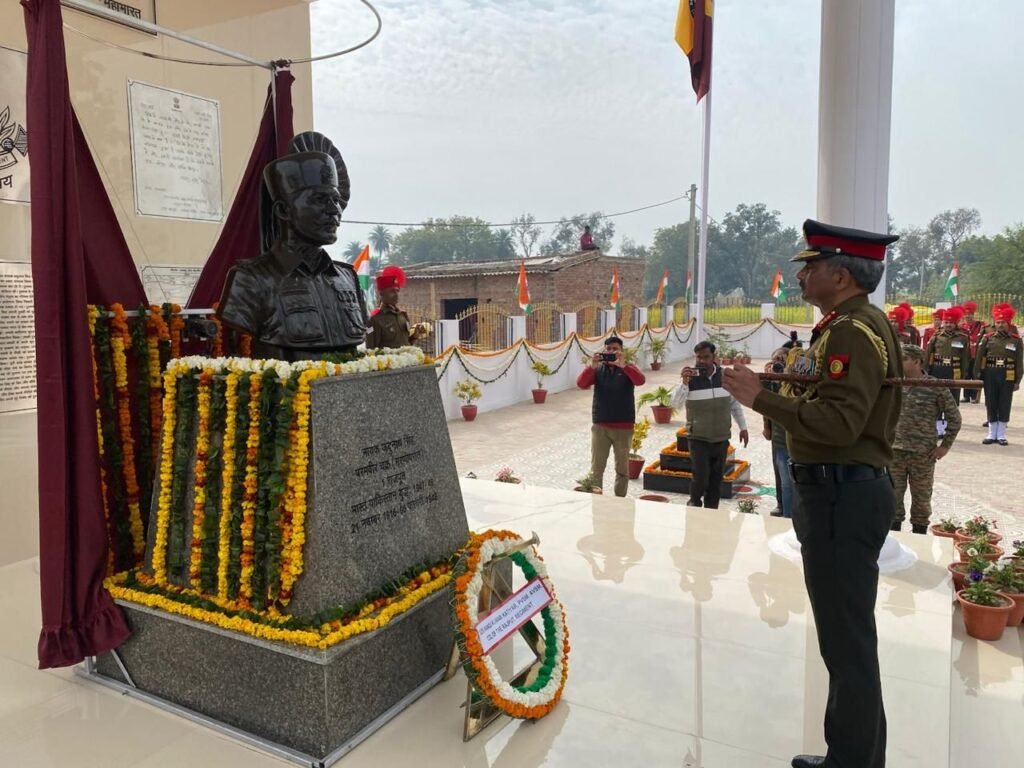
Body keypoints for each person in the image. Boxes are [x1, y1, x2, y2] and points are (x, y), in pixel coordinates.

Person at [722, 219, 901, 768]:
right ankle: (851, 756)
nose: (802, 275)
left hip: (842, 497)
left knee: (847, 645)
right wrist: (768, 388)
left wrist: (760, 400)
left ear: (841, 274)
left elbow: (842, 422)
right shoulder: (848, 324)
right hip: (839, 493)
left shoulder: (851, 331)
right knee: (846, 642)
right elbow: (831, 398)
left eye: (812, 266)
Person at [218, 132, 369, 360]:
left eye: (336, 200)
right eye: (319, 199)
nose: (334, 210)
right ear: (284, 210)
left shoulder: (347, 278)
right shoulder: (251, 279)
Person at [890, 345, 961, 534]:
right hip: (895, 452)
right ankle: (894, 539)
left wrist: (944, 447)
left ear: (916, 361)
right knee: (892, 500)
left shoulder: (935, 386)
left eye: (904, 359)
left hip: (923, 454)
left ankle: (919, 537)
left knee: (921, 501)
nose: (900, 362)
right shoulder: (895, 383)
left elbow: (955, 417)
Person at [675, 341, 749, 509]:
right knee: (700, 478)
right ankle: (694, 504)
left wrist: (743, 427)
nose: (702, 361)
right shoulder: (690, 378)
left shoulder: (724, 377)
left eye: (706, 357)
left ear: (714, 357)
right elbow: (675, 404)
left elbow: (734, 404)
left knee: (716, 481)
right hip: (698, 438)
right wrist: (684, 383)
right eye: (699, 357)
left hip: (721, 438)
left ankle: (711, 513)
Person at [577, 336, 646, 496]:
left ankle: (619, 501)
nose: (611, 352)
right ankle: (597, 499)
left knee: (622, 469)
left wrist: (624, 366)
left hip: (623, 426)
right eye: (608, 349)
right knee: (597, 468)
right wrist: (591, 366)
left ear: (621, 351)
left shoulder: (628, 367)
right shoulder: (598, 368)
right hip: (601, 426)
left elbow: (640, 381)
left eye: (615, 349)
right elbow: (581, 384)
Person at [976, 304, 1023, 445]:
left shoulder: (1015, 340)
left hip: (1007, 374)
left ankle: (1001, 434)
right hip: (990, 373)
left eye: (1003, 322)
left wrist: (1017, 380)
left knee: (1004, 402)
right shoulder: (988, 338)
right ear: (995, 323)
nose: (1000, 325)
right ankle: (991, 434)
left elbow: (1019, 362)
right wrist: (978, 374)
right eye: (998, 322)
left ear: (1008, 324)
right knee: (991, 401)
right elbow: (979, 357)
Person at [762, 347, 794, 517]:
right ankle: (781, 505)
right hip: (778, 436)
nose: (779, 364)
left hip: (791, 437)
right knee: (780, 472)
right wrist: (768, 378)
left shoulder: (796, 381)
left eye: (782, 360)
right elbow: (764, 405)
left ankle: (789, 515)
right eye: (776, 360)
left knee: (789, 480)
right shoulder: (771, 381)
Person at [365, 265, 426, 350]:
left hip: (406, 362)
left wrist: (414, 336)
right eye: (392, 291)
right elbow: (371, 351)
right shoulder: (375, 319)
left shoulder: (402, 316)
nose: (396, 295)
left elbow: (406, 345)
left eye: (397, 291)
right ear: (381, 293)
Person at [925, 304, 969, 403]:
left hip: (954, 370)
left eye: (951, 322)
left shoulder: (963, 338)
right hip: (938, 369)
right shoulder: (936, 336)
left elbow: (965, 357)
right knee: (938, 396)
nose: (948, 325)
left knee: (953, 397)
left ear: (956, 323)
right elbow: (928, 354)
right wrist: (926, 370)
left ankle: (951, 418)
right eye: (946, 322)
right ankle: (939, 418)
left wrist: (963, 373)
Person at [960, 301, 983, 403]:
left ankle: (974, 396)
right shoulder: (962, 327)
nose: (968, 316)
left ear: (973, 315)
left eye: (970, 314)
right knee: (965, 375)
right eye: (966, 314)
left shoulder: (980, 326)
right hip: (965, 355)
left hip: (976, 354)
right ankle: (966, 396)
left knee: (975, 375)